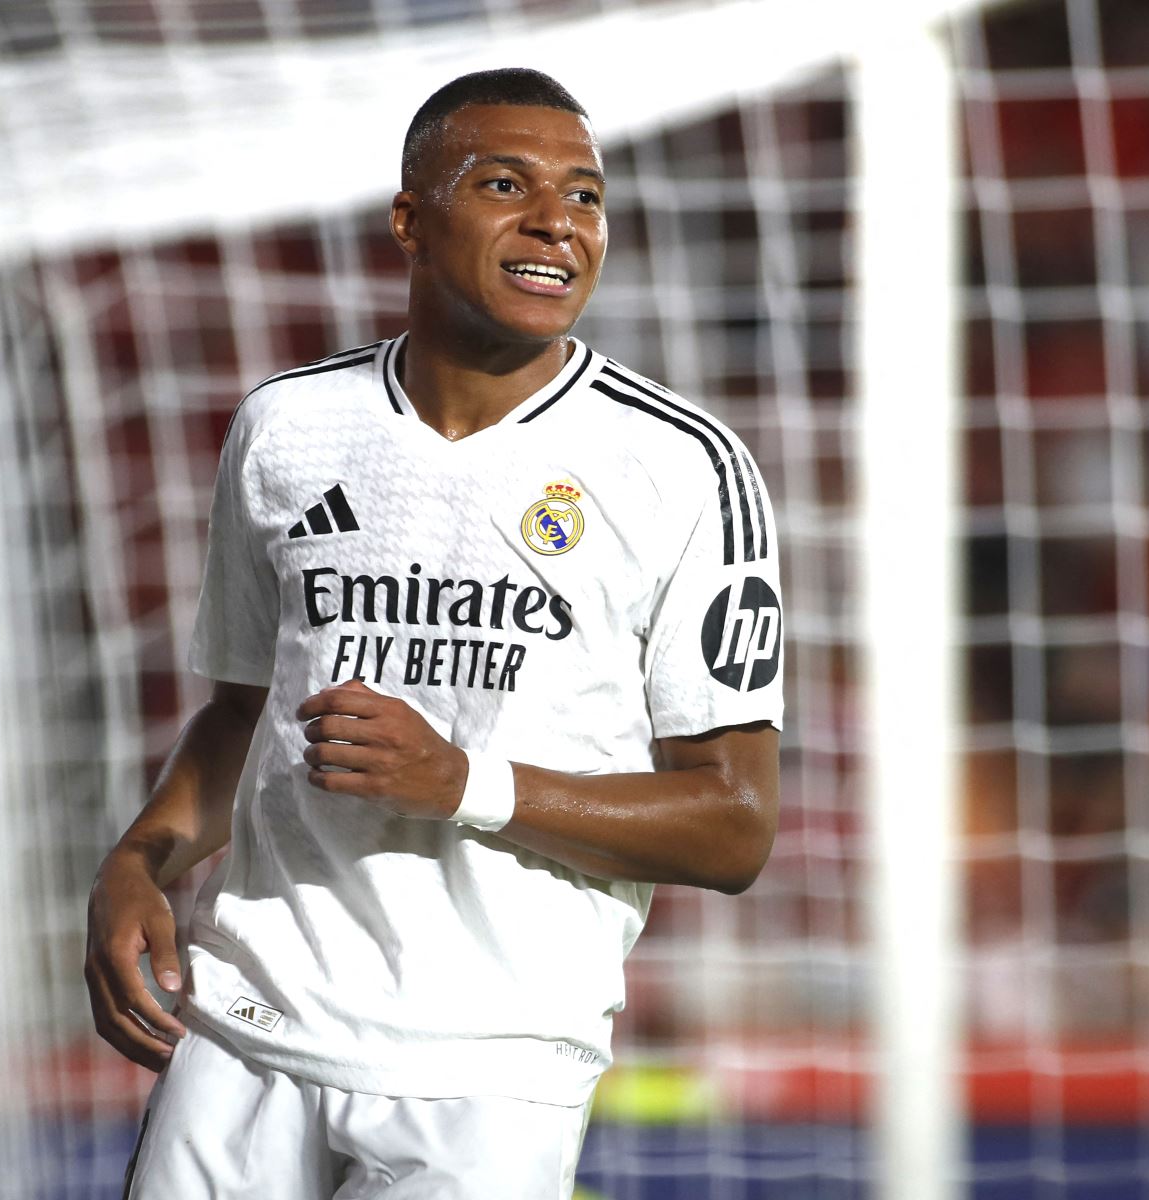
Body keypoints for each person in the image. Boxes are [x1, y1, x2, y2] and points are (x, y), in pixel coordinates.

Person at [84, 66, 784, 1199]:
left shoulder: (683, 466)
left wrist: (463, 780)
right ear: (410, 219)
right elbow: (246, 711)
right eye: (506, 183)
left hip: (489, 1070)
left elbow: (736, 827)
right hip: (248, 1024)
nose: (559, 220)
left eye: (587, 196)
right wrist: (140, 858)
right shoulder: (287, 427)